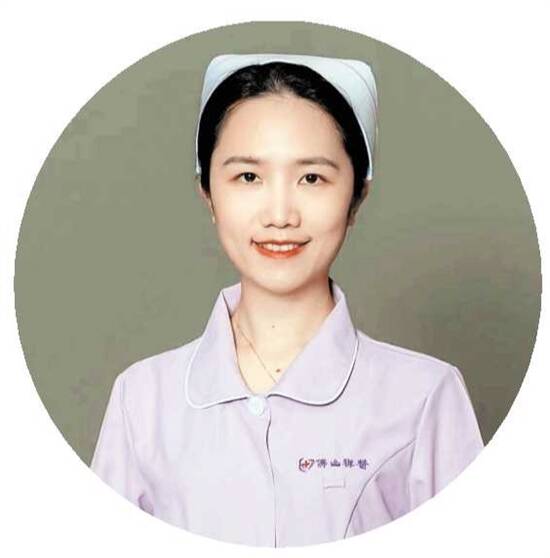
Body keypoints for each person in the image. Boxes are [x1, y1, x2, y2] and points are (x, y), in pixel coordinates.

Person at [90, 53, 484, 547]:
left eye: (312, 178)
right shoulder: (142, 401)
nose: (280, 215)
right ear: (208, 193)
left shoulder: (426, 398)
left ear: (356, 197)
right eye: (248, 177)